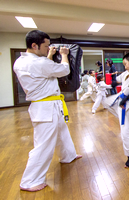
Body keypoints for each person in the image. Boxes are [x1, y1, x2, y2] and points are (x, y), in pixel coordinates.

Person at [13, 30, 82, 192]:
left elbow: (43, 70)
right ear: (34, 45)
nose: (48, 48)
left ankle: (68, 155)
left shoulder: (22, 62)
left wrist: (49, 55)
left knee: (62, 131)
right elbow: (64, 70)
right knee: (43, 145)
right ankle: (29, 181)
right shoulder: (39, 63)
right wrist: (64, 55)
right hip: (46, 108)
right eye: (45, 46)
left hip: (48, 106)